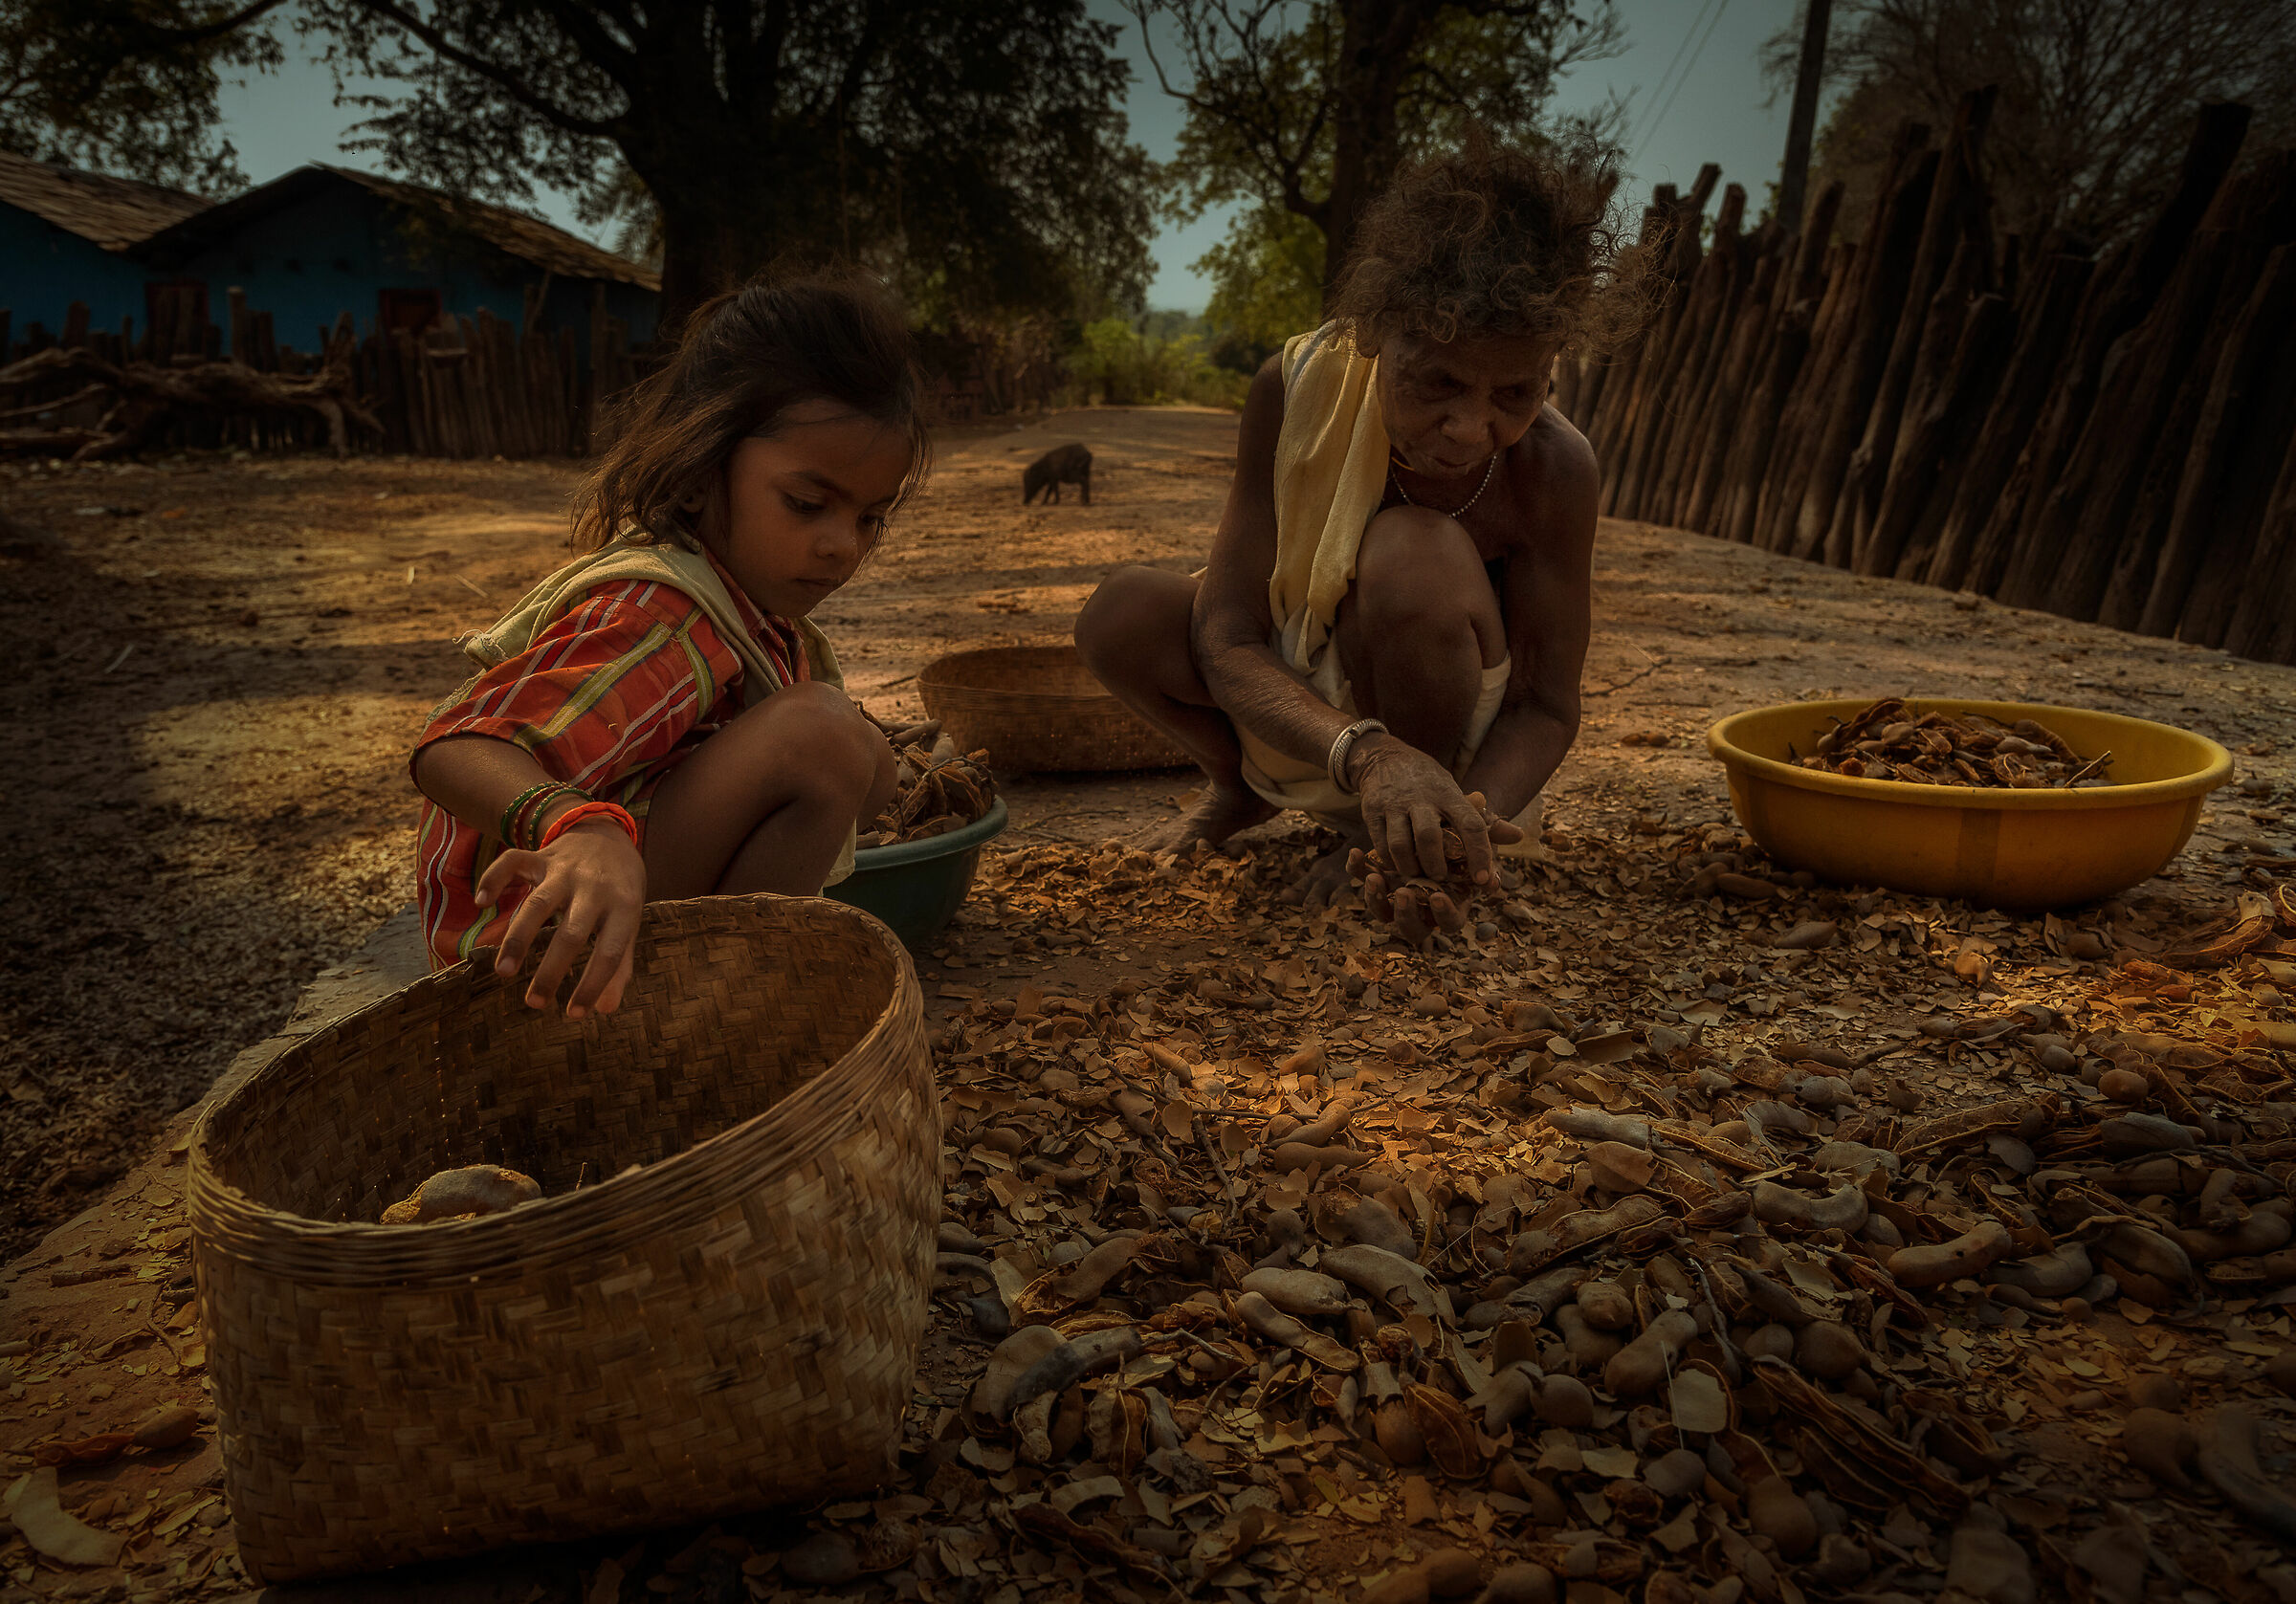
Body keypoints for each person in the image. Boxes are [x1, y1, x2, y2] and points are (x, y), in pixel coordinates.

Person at [1075, 136, 1648, 941]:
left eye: (1515, 392)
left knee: (1414, 555)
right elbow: (1227, 633)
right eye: (1439, 382)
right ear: (1378, 336)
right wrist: (1370, 755)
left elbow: (1546, 708)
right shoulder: (1296, 388)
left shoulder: (1557, 469)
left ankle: (1399, 838)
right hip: (1313, 708)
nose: (1470, 428)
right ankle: (1241, 788)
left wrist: (1462, 829)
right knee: (1120, 612)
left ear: (1551, 368)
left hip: (1456, 748)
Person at [408, 275, 930, 1016]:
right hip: (526, 952)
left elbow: (861, 784)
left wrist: (868, 760)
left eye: (871, 518)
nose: (842, 546)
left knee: (860, 755)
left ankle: (724, 989)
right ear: (696, 473)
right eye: (808, 505)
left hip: (588, 929)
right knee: (823, 737)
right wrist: (578, 825)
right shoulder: (662, 615)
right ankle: (725, 1011)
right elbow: (453, 744)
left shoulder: (755, 615)